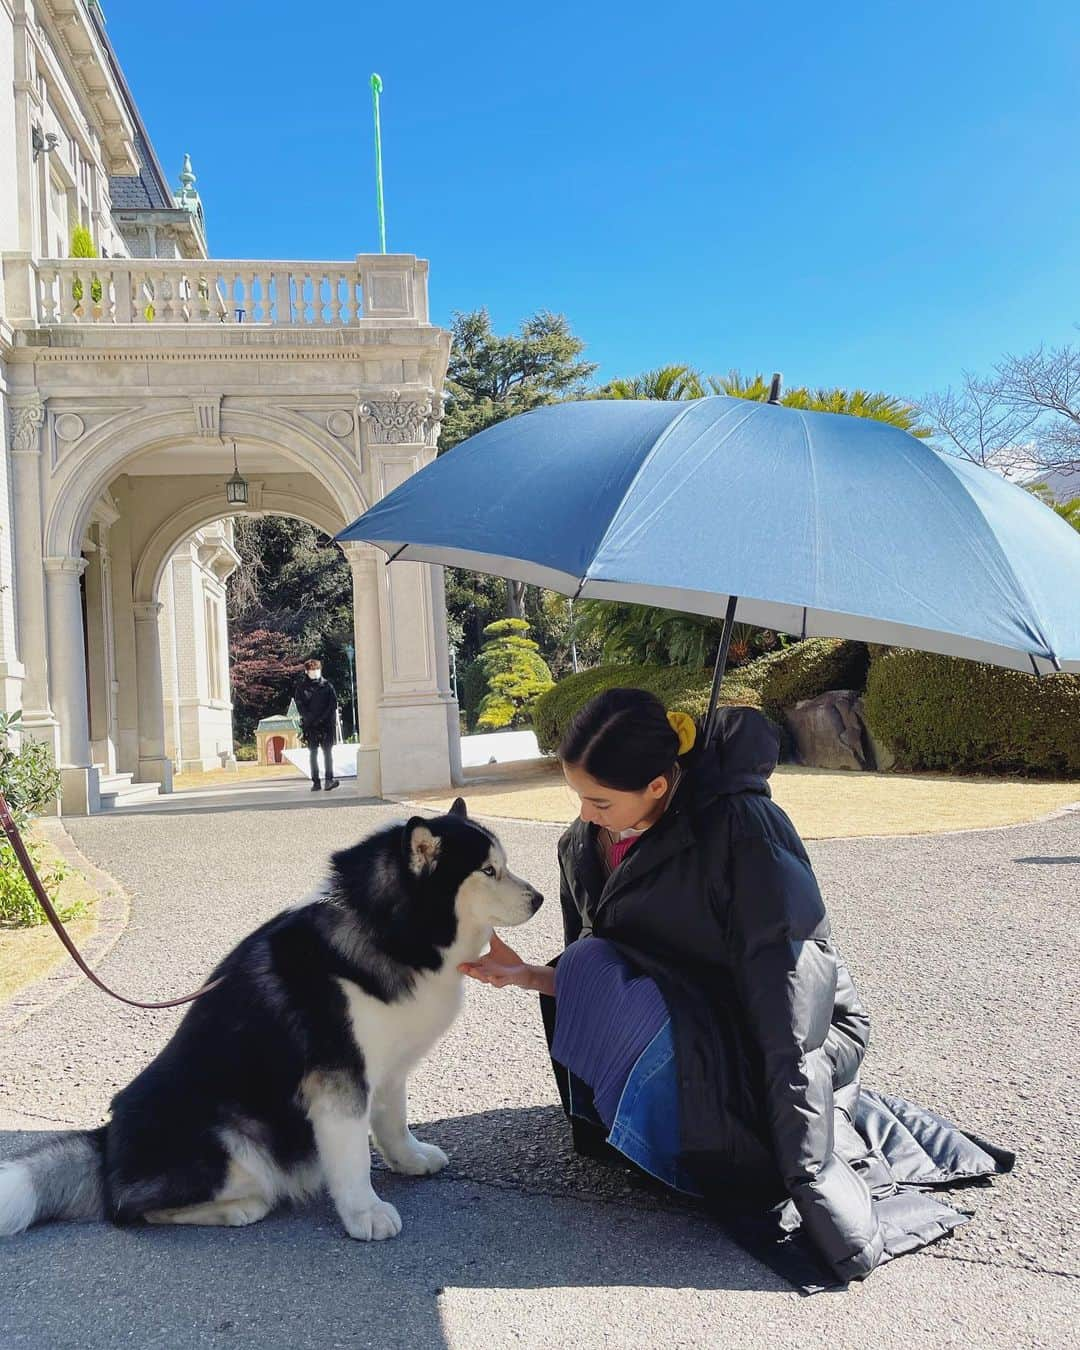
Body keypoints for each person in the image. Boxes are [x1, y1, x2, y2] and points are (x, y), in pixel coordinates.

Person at [460, 688, 1012, 1285]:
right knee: (590, 961)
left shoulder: (743, 830)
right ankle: (679, 1137)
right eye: (579, 798)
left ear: (657, 786)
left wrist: (807, 1173)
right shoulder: (584, 843)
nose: (586, 814)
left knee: (603, 974)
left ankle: (710, 1156)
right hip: (690, 1021)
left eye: (599, 800)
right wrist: (527, 976)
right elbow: (607, 969)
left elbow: (791, 994)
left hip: (786, 1029)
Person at [294, 658, 339, 792]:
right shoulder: (301, 688)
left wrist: (322, 719)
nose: (315, 672)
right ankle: (316, 782)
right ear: (306, 671)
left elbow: (333, 705)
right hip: (310, 726)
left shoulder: (327, 686)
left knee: (328, 753)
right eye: (312, 670)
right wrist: (310, 719)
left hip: (326, 725)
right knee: (313, 753)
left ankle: (329, 780)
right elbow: (300, 706)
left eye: (316, 669)